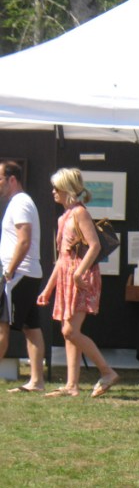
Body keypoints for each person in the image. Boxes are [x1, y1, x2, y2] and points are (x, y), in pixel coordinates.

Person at [36, 168, 119, 398]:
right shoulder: (64, 216)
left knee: (70, 330)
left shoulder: (80, 212)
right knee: (69, 333)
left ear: (67, 189)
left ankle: (107, 371)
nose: (53, 191)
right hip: (67, 276)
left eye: (57, 188)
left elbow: (95, 246)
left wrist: (78, 274)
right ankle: (72, 385)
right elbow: (62, 258)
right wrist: (48, 288)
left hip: (81, 277)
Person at [0, 161, 46, 394]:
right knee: (31, 327)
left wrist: (9, 272)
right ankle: (37, 381)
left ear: (12, 179)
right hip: (26, 273)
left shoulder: (20, 203)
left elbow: (24, 240)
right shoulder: (19, 203)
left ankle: (37, 381)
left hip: (18, 274)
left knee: (2, 326)